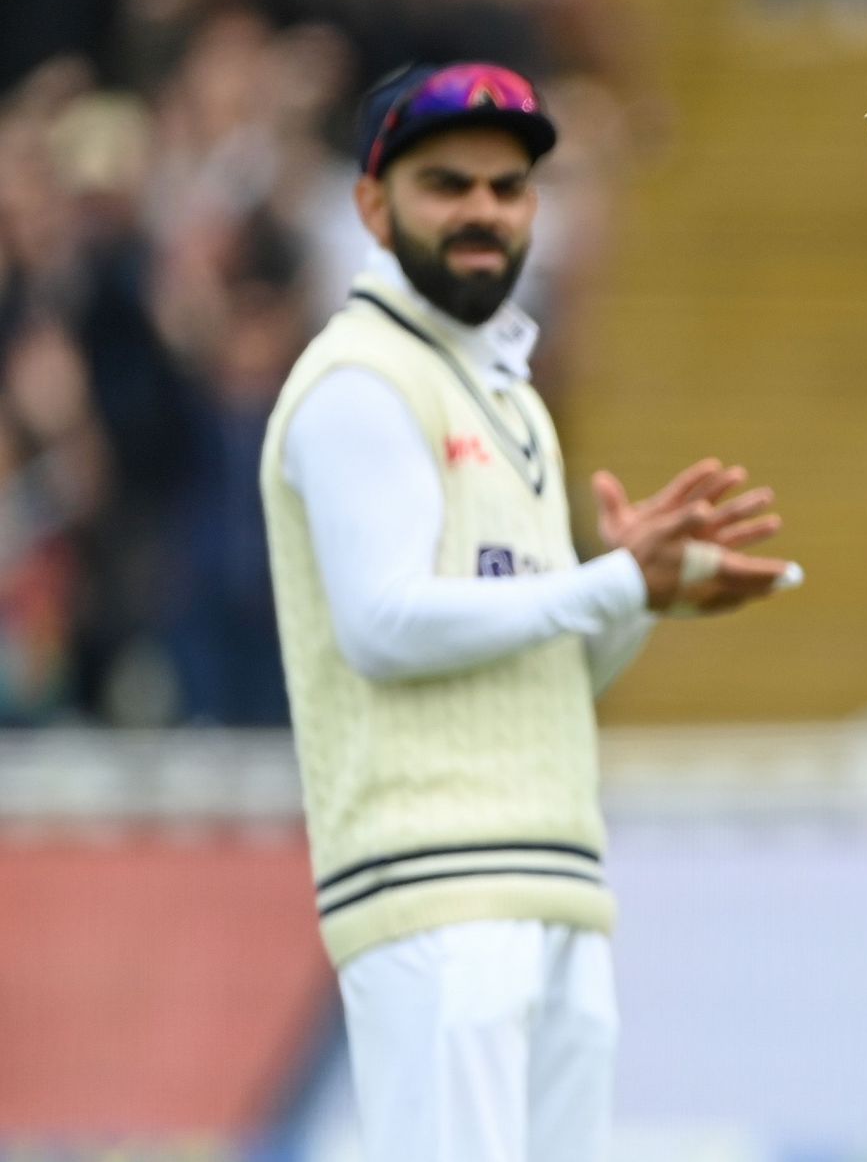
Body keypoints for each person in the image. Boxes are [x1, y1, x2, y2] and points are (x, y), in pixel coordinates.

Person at [259, 61, 801, 1162]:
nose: (482, 213)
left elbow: (551, 666)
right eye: (445, 185)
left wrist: (646, 601)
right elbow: (384, 626)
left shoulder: (508, 397)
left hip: (555, 879)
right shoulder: (361, 378)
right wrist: (609, 582)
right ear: (372, 206)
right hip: (431, 886)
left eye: (508, 190)